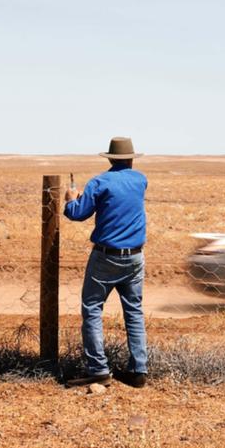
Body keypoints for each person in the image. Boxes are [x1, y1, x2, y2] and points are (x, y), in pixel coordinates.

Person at [63, 137, 149, 388]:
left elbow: (78, 214)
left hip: (106, 257)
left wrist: (71, 199)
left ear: (110, 158)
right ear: (132, 158)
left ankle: (98, 369)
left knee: (92, 309)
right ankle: (138, 369)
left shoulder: (100, 182)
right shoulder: (140, 180)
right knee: (133, 311)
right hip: (135, 256)